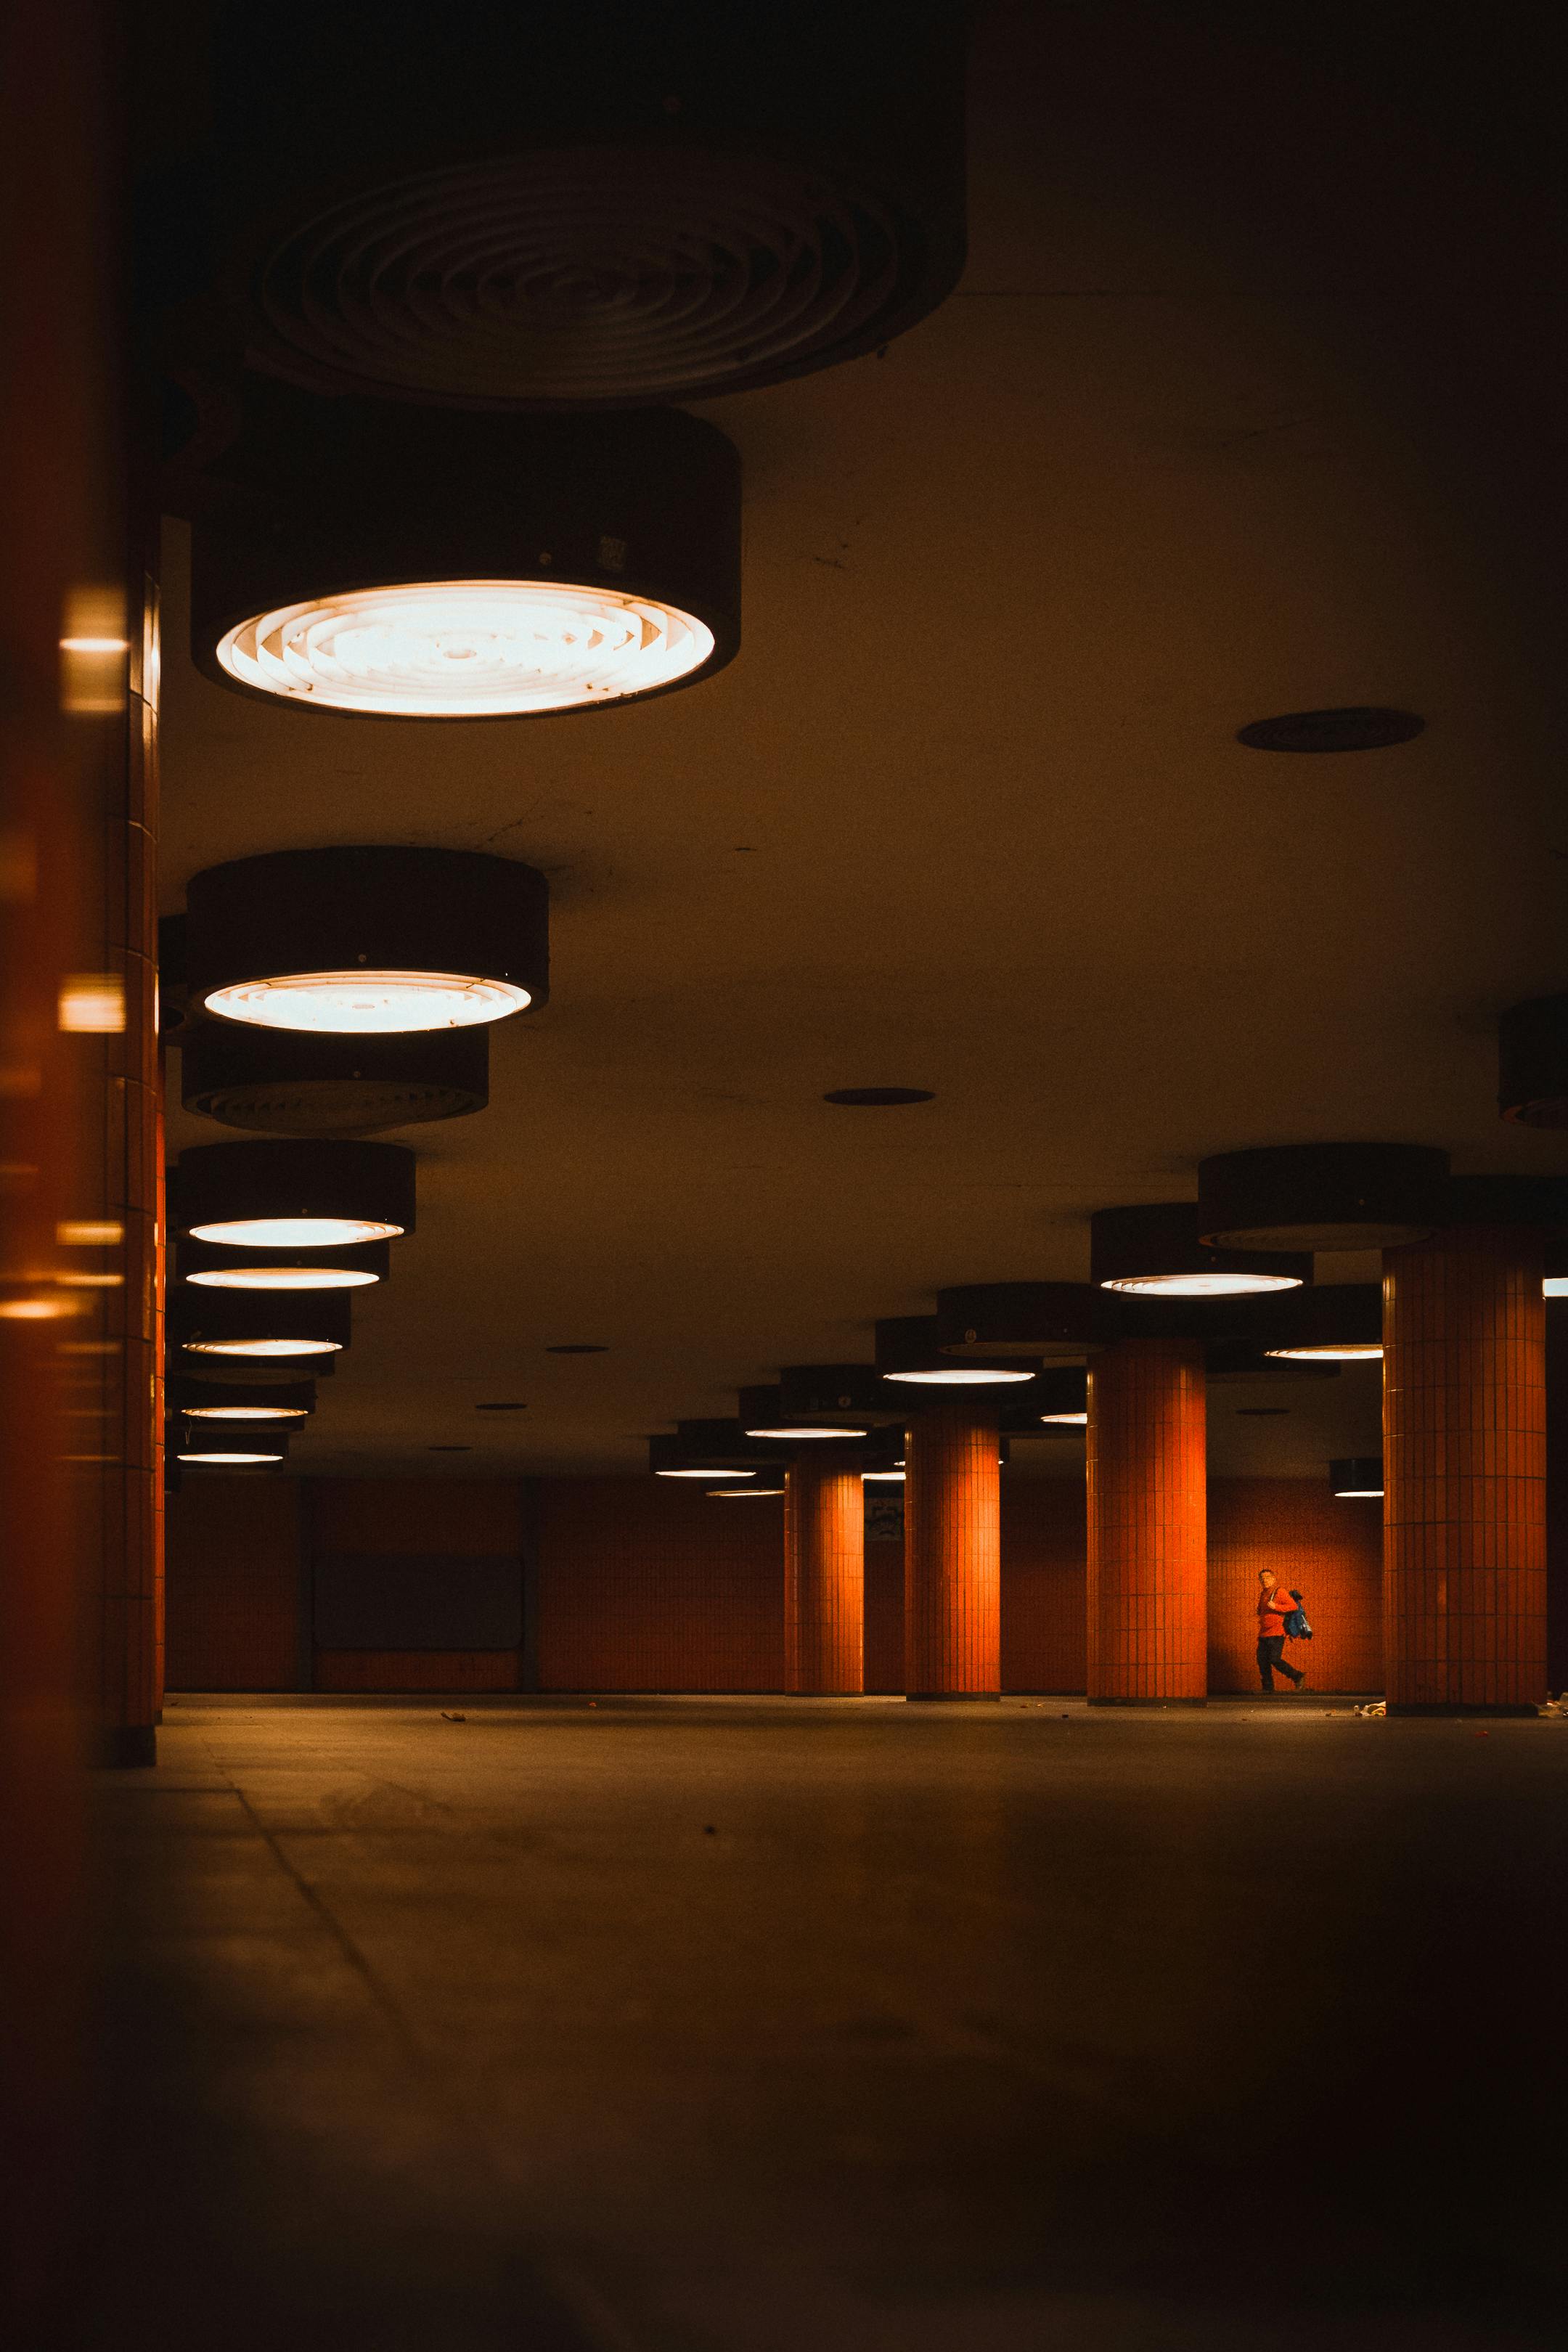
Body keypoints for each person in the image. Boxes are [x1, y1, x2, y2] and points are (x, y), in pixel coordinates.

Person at [1256, 1569, 1306, 1694]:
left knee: (1274, 1659)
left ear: (1274, 1579)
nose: (1265, 1580)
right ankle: (1268, 1688)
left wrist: (1276, 1607)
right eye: (1262, 1578)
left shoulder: (1279, 1591)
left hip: (1277, 1632)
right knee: (1262, 1660)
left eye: (1267, 1577)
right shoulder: (1264, 1593)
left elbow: (1293, 1606)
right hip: (1264, 1633)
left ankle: (1297, 1676)